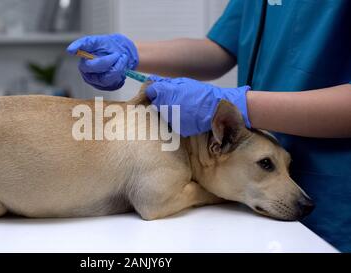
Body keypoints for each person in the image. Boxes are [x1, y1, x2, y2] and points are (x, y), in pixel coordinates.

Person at [67, 0, 351, 252]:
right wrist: (129, 52)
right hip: (251, 185)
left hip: (335, 195)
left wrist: (238, 104)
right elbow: (218, 48)